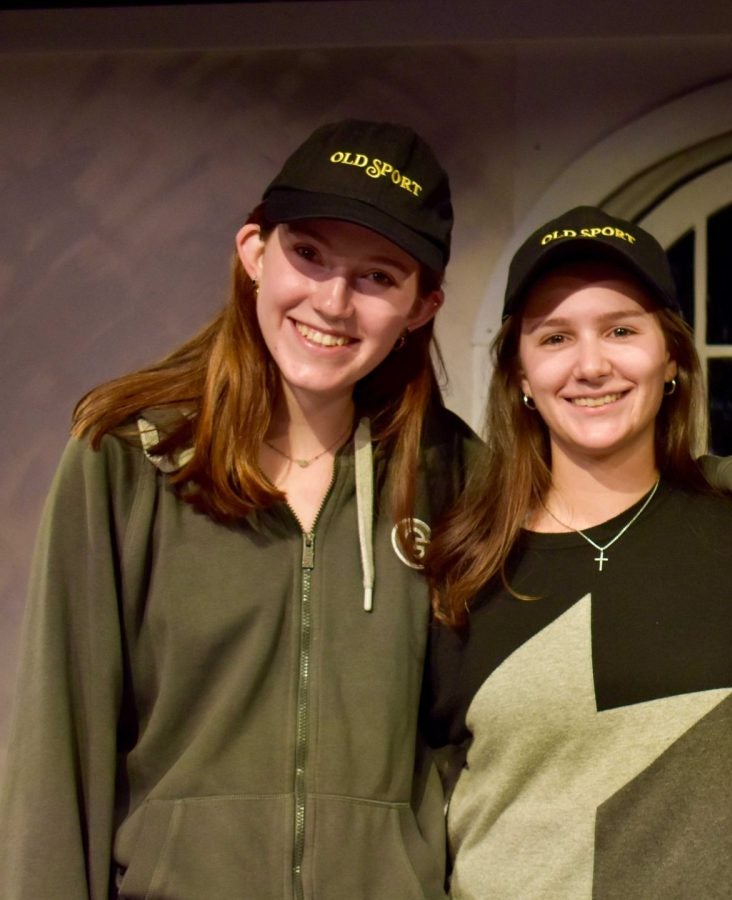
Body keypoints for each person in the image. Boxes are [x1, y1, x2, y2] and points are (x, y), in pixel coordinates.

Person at [0, 119, 472, 898]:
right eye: (309, 255)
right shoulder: (127, 460)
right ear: (255, 252)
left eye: (379, 277)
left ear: (422, 306)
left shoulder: (455, 475)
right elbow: (61, 747)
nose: (333, 301)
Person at [422, 206, 732, 898]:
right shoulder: (463, 562)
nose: (592, 365)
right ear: (521, 376)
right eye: (555, 337)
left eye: (621, 330)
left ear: (671, 356)